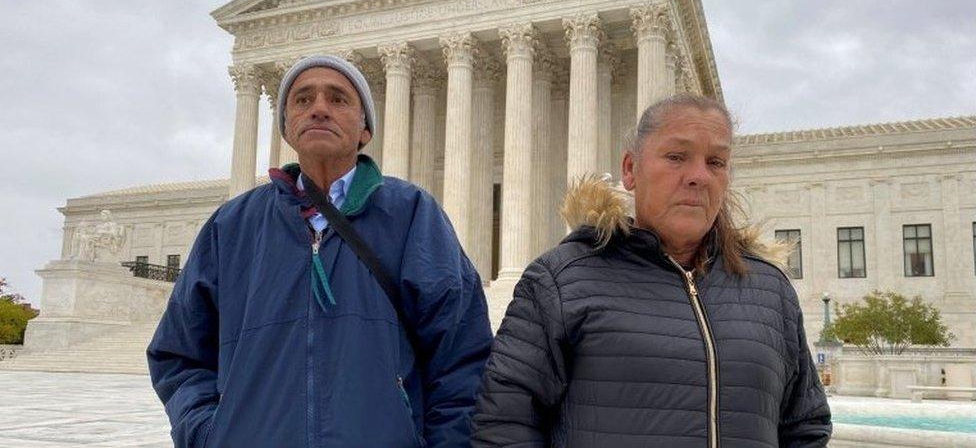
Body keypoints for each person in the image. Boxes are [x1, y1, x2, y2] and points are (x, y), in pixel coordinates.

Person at [148, 55, 493, 447]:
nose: (319, 109)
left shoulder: (412, 214)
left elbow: (462, 356)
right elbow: (178, 354)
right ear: (286, 128)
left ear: (365, 129)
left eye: (338, 99)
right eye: (302, 99)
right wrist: (210, 434)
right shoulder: (232, 226)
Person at [471, 95, 831, 447]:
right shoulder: (561, 281)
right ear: (630, 170)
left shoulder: (770, 291)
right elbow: (503, 424)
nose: (698, 176)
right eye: (676, 157)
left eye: (716, 162)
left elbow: (805, 426)